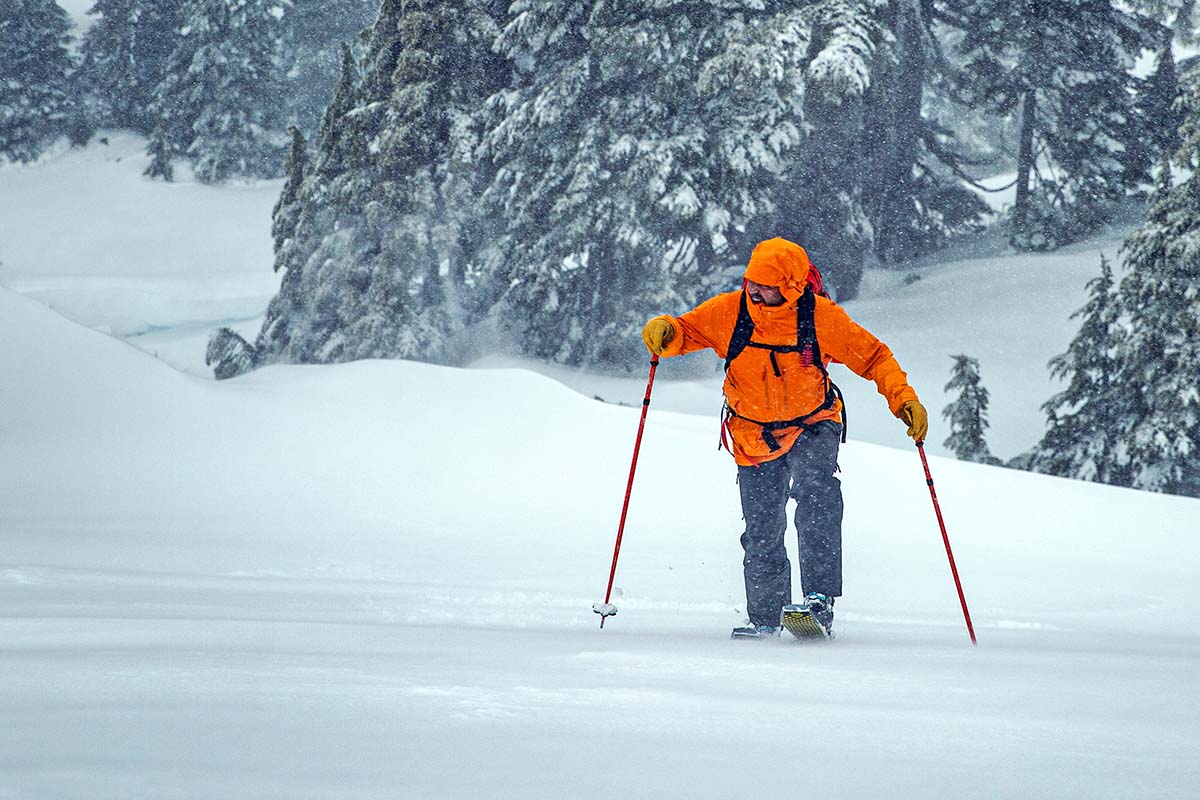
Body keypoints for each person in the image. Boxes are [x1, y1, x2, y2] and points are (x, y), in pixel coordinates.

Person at [641, 237, 928, 638]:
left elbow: (875, 357)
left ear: (791, 287)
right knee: (762, 528)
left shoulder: (821, 318)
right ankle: (766, 617)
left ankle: (818, 602)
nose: (754, 290)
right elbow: (686, 332)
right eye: (750, 281)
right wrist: (665, 330)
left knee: (816, 495)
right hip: (751, 433)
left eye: (765, 285)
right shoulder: (731, 311)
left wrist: (904, 401)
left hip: (813, 423)